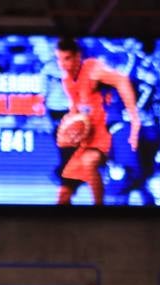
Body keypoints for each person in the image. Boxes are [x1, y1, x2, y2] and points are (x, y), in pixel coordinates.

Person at [53, 37, 139, 206]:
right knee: (63, 194)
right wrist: (68, 124)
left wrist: (134, 116)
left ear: (78, 56)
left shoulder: (92, 68)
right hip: (86, 140)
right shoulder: (67, 81)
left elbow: (121, 80)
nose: (62, 64)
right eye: (59, 59)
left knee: (89, 162)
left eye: (67, 58)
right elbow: (76, 108)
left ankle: (99, 207)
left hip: (106, 136)